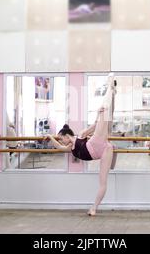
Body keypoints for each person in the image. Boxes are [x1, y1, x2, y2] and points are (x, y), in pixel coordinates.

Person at [45, 73, 117, 216]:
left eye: (61, 138)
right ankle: (94, 208)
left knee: (104, 110)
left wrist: (98, 115)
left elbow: (95, 125)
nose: (61, 142)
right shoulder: (69, 148)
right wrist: (49, 136)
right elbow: (58, 147)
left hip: (96, 143)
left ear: (66, 136)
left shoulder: (81, 135)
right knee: (103, 183)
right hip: (103, 151)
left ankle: (111, 88)